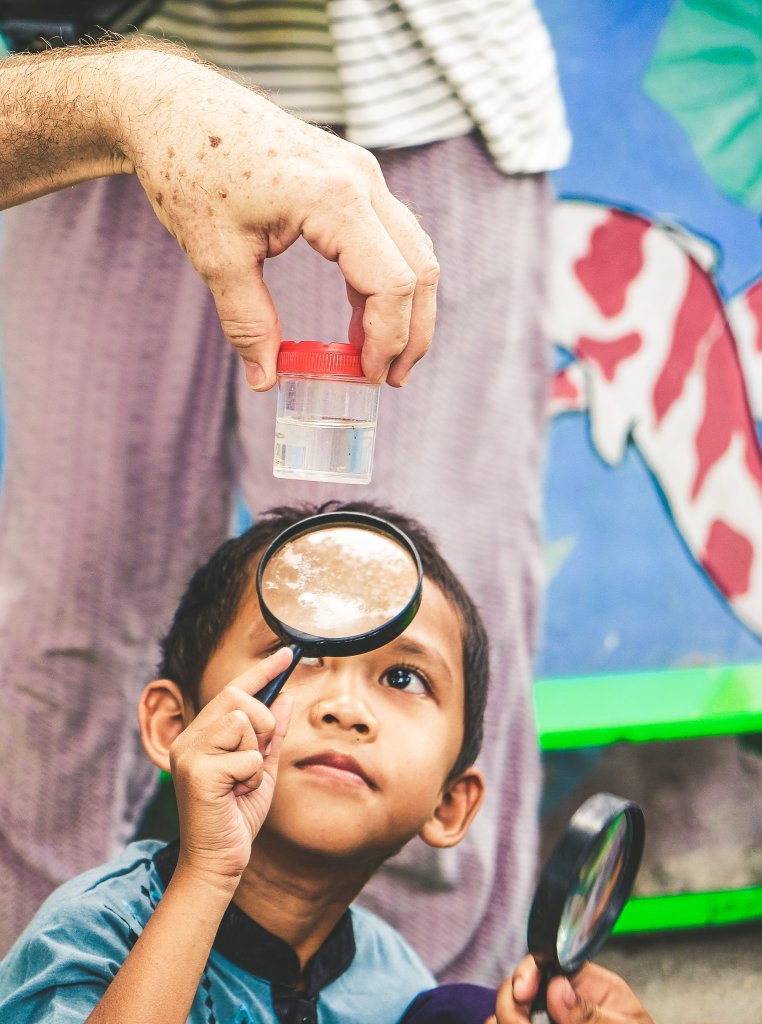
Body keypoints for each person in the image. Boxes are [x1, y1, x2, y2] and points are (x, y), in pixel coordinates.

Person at [0, 2, 570, 976]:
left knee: (403, 610)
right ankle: (44, 987)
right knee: (62, 643)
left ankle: (426, 994)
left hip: (407, 97)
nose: (341, 709)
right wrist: (136, 94)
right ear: (169, 724)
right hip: (83, 94)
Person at [0, 501, 653, 1024]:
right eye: (301, 652)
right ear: (178, 725)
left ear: (449, 804)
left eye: (402, 678)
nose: (346, 707)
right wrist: (206, 875)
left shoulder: (397, 986)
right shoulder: (93, 932)